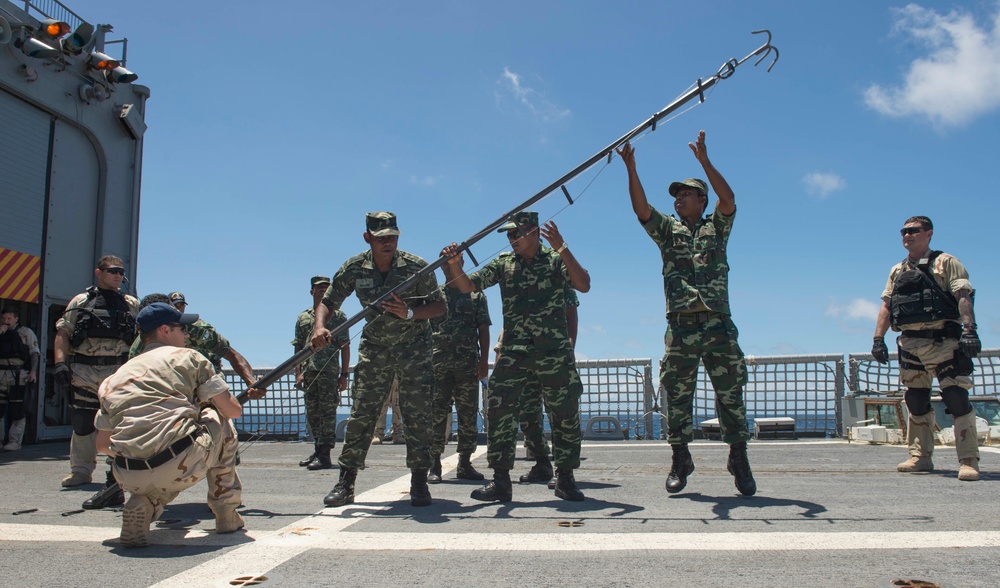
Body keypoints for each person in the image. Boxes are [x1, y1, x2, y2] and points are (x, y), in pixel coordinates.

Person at [616, 131, 756, 497]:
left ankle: (738, 457)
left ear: (701, 199)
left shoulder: (717, 227)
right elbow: (641, 210)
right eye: (676, 195)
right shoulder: (667, 231)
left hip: (718, 326)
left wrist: (705, 163)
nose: (678, 198)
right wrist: (631, 168)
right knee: (676, 394)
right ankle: (681, 458)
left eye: (685, 193)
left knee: (730, 393)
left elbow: (729, 199)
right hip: (680, 327)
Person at [443, 210, 591, 503]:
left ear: (534, 232)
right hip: (514, 352)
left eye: (516, 234)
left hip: (553, 352)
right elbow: (469, 286)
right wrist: (454, 265)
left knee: (564, 415)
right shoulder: (504, 263)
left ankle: (565, 478)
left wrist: (562, 247)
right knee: (499, 411)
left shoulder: (554, 260)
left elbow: (583, 284)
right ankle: (500, 481)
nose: (511, 240)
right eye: (509, 235)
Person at [95, 302, 261, 548]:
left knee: (156, 470)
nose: (186, 334)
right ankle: (226, 514)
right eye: (181, 329)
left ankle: (146, 504)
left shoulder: (114, 377)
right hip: (178, 463)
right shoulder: (190, 358)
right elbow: (232, 411)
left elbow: (102, 445)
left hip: (127, 474)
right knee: (219, 419)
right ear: (165, 330)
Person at [311, 212, 445, 508]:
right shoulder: (355, 267)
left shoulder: (415, 267)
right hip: (375, 349)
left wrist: (409, 313)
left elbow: (439, 306)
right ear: (367, 237)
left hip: (414, 348)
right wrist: (320, 326)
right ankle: (346, 482)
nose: (388, 242)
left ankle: (419, 480)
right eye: (382, 237)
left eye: (393, 237)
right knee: (362, 413)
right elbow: (329, 302)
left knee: (418, 414)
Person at [872, 216, 982, 481]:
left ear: (928, 233)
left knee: (956, 398)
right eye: (904, 231)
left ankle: (968, 460)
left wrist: (969, 330)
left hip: (944, 340)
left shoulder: (946, 262)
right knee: (916, 400)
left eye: (913, 231)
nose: (907, 235)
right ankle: (920, 456)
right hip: (910, 343)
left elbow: (962, 296)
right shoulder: (897, 270)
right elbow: (887, 305)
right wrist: (878, 339)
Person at [52, 256, 139, 505]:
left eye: (121, 272)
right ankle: (80, 471)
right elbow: (63, 333)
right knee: (82, 422)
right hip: (84, 371)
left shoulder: (130, 303)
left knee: (122, 424)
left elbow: (143, 337)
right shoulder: (81, 301)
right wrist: (59, 364)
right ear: (98, 272)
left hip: (118, 372)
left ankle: (121, 473)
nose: (118, 276)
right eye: (113, 271)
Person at [428, 257, 491, 483]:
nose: (448, 267)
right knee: (436, 414)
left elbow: (483, 329)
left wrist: (484, 361)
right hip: (438, 364)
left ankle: (464, 462)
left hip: (467, 365)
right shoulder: (434, 296)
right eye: (444, 263)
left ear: (461, 263)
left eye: (452, 263)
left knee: (467, 413)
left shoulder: (475, 294)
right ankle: (433, 463)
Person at [517, 284, 580, 487]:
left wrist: (569, 348)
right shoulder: (520, 285)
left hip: (554, 358)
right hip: (526, 358)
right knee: (527, 415)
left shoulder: (559, 282)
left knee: (560, 415)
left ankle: (563, 470)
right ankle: (542, 463)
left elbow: (571, 315)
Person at [293, 276, 350, 470]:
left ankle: (325, 454)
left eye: (326, 288)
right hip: (309, 371)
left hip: (329, 372)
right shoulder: (303, 318)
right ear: (312, 292)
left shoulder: (338, 316)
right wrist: (298, 373)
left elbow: (345, 347)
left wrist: (344, 375)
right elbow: (299, 348)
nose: (323, 291)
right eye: (319, 288)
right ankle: (318, 449)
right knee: (313, 413)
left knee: (327, 413)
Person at [0, 308, 40, 451]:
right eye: (4, 318)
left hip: (18, 373)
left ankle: (15, 441)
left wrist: (33, 372)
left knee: (17, 409)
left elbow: (34, 353)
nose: (6, 321)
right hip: (1, 372)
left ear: (16, 318)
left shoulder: (26, 332)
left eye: (9, 319)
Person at [372, 376, 405, 445]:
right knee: (382, 405)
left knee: (398, 404)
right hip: (383, 374)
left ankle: (398, 433)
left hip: (399, 374)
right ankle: (378, 433)